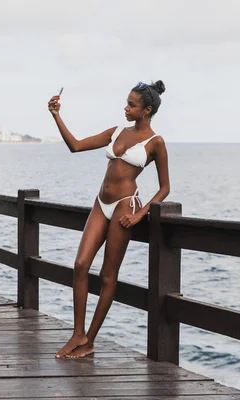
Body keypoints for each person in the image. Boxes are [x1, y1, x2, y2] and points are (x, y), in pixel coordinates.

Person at [48, 80, 171, 359]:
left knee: (107, 276)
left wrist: (140, 214)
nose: (125, 108)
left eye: (132, 104)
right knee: (80, 265)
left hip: (124, 207)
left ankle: (90, 340)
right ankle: (77, 333)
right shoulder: (116, 132)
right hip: (100, 203)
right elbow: (76, 146)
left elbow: (165, 188)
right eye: (126, 102)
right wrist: (56, 115)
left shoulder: (156, 143)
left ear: (147, 110)